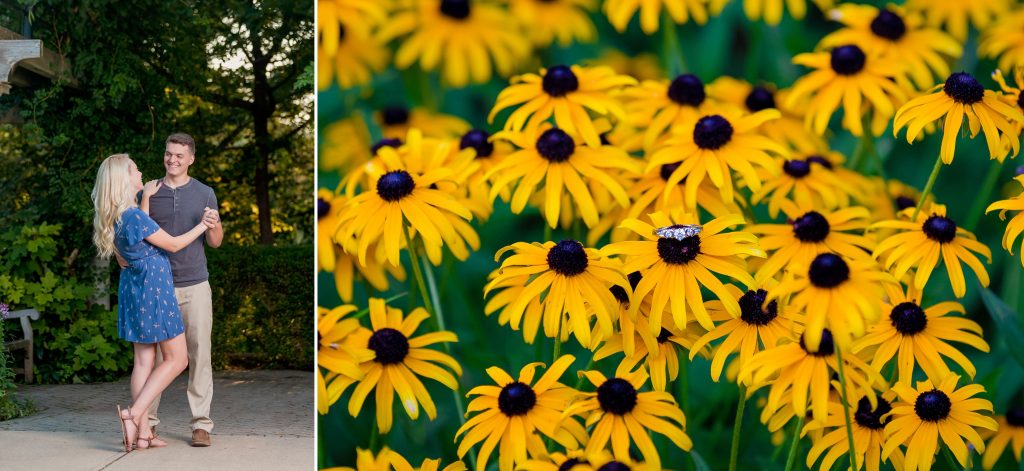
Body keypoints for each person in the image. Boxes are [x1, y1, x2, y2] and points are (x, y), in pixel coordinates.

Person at [91, 154, 214, 451]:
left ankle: (144, 433)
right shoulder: (132, 216)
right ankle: (133, 415)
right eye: (134, 169)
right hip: (154, 292)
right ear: (124, 178)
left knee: (144, 362)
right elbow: (171, 244)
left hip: (136, 291)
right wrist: (203, 225)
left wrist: (145, 196)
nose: (140, 171)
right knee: (178, 359)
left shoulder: (123, 214)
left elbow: (141, 231)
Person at [144, 133, 223, 447]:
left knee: (200, 354)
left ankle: (201, 425)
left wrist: (214, 223)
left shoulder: (205, 193)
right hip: (157, 287)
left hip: (196, 285)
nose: (172, 160)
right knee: (154, 358)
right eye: (168, 154)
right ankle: (146, 422)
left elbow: (215, 242)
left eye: (179, 155)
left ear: (191, 158)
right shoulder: (148, 191)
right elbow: (134, 234)